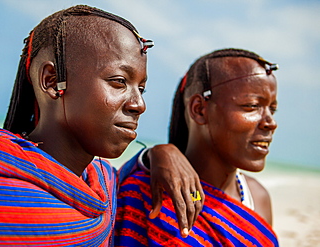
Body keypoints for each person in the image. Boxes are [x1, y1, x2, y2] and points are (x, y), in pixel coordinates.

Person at [0, 5, 202, 246]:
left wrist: (158, 152)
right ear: (52, 81)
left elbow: (123, 178)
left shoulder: (102, 183)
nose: (139, 105)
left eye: (142, 88)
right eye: (118, 81)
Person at [115, 48, 280, 246]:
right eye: (252, 106)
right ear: (199, 109)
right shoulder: (145, 191)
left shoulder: (257, 197)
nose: (271, 122)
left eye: (272, 109)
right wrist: (152, 154)